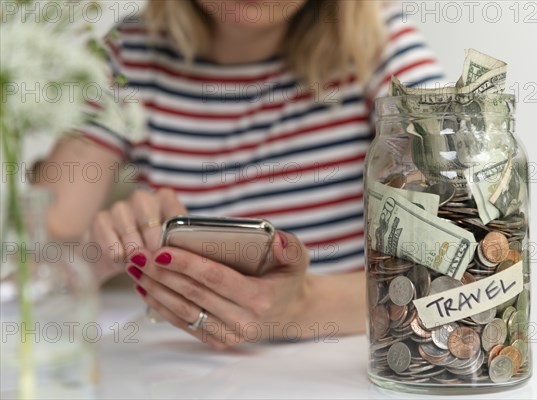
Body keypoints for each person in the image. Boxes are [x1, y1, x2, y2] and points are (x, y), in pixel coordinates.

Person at [40, 0, 443, 349]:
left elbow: (471, 254)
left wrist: (300, 306)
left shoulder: (376, 41)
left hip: (340, 363)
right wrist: (99, 253)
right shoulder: (129, 53)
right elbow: (29, 249)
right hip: (184, 369)